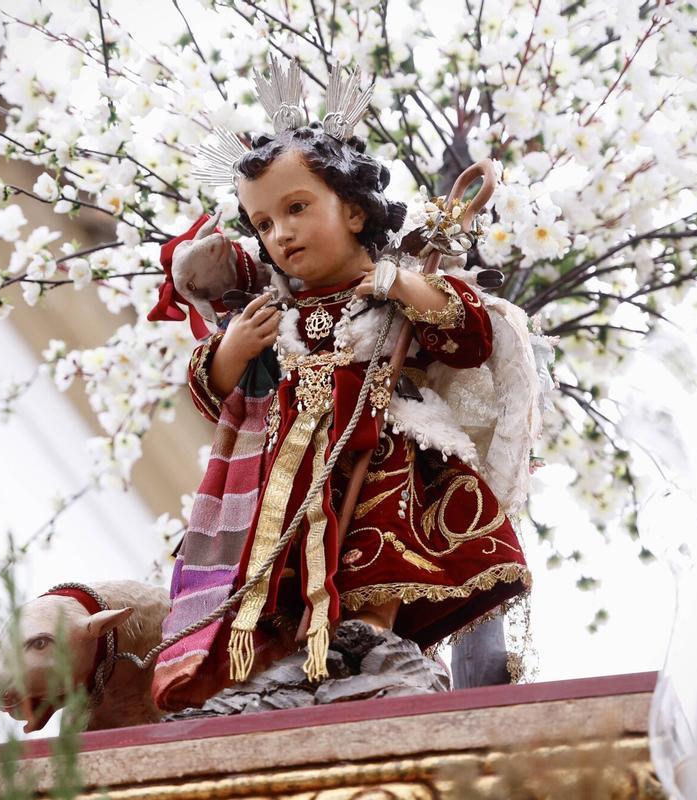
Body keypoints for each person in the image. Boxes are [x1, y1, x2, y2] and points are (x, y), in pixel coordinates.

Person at [150, 62, 531, 713]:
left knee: (376, 533)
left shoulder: (395, 280)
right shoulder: (275, 308)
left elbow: (467, 338)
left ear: (353, 210)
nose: (282, 233)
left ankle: (369, 646)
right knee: (281, 563)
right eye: (264, 224)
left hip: (382, 441)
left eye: (297, 209)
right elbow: (216, 392)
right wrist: (235, 350)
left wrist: (404, 287)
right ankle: (287, 668)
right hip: (292, 456)